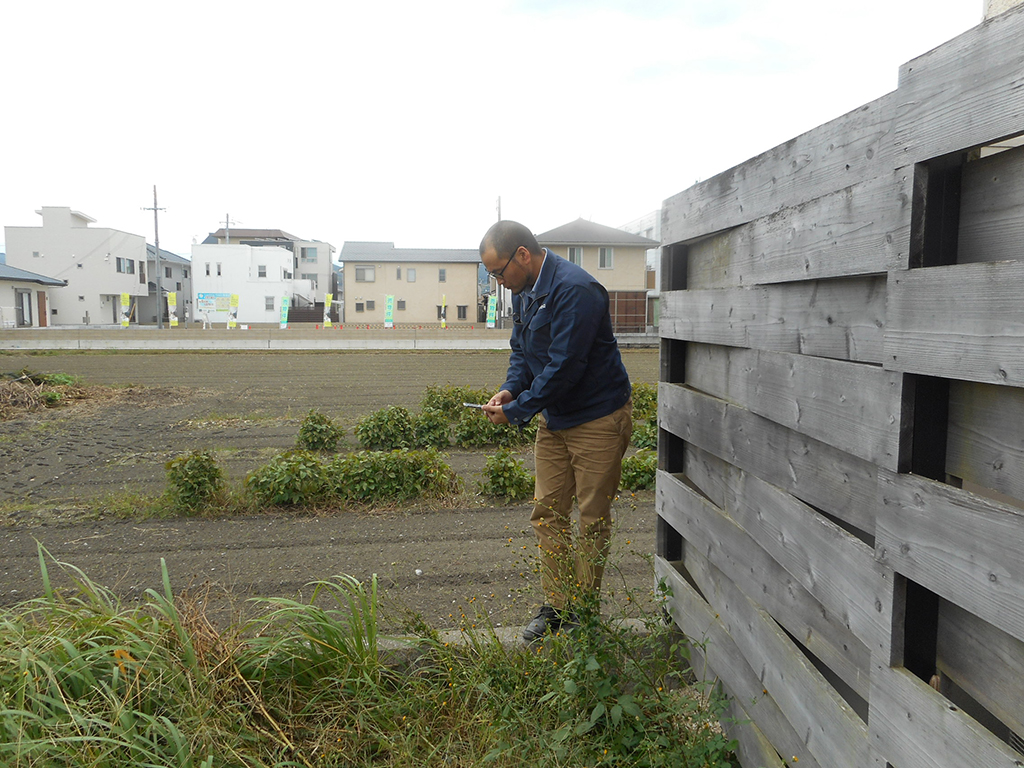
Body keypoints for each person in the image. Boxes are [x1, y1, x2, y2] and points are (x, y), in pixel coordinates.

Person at [479, 220, 633, 643]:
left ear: (523, 256)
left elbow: (565, 366)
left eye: (497, 272)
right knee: (547, 512)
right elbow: (522, 351)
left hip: (598, 417)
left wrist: (520, 410)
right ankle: (558, 605)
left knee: (592, 518)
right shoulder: (524, 292)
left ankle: (583, 612)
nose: (497, 282)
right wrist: (512, 390)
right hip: (556, 418)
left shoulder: (576, 290)